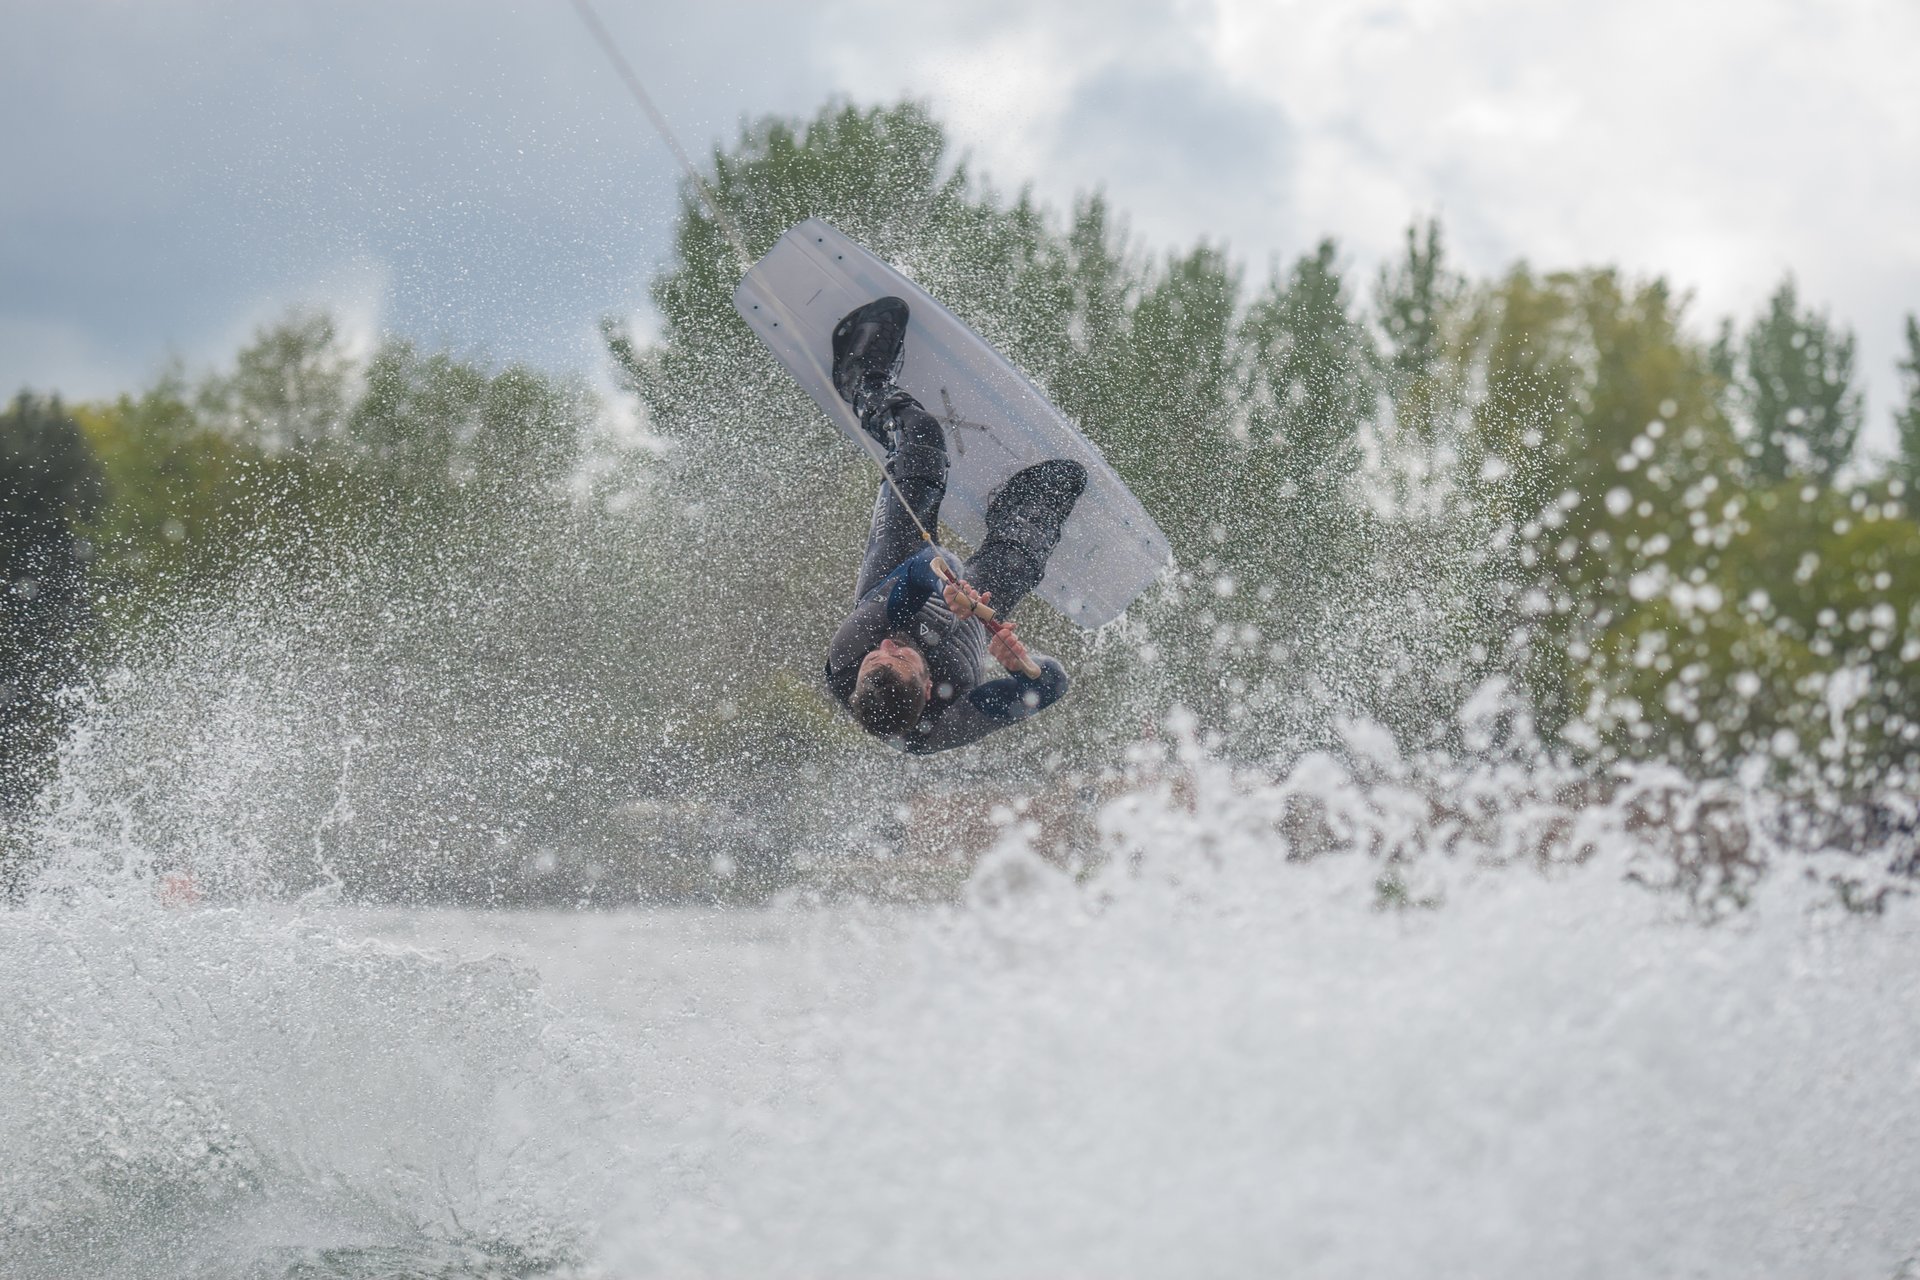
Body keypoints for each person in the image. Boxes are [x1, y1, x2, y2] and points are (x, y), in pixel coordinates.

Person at [823, 296, 1086, 753]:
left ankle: (860, 375)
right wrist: (1025, 666)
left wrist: (943, 582)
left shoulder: (850, 656)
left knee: (924, 439)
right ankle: (1022, 500)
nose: (887, 644)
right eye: (900, 654)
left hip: (897, 573)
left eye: (877, 654)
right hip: (968, 622)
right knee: (1018, 556)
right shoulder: (946, 723)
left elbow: (928, 562)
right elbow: (1051, 689)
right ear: (928, 691)